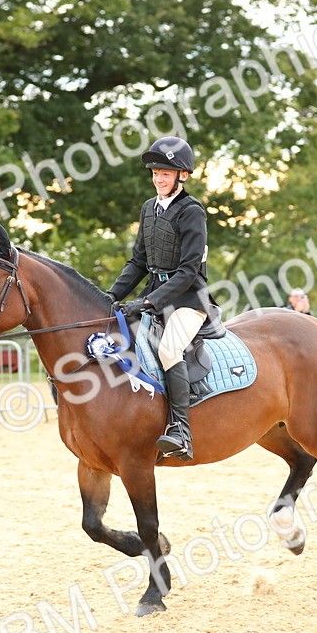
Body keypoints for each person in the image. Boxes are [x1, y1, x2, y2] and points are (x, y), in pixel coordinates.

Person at [108, 135, 216, 461]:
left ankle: (181, 431)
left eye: (165, 173)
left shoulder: (192, 211)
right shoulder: (148, 209)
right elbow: (138, 262)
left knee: (170, 348)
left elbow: (187, 270)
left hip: (188, 300)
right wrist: (110, 296)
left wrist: (151, 301)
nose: (158, 178)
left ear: (181, 175)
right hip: (153, 294)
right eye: (155, 172)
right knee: (112, 332)